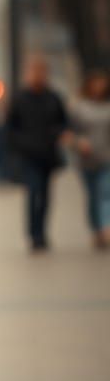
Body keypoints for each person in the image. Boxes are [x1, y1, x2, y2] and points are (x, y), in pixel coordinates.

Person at [6, 54, 68, 251]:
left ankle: (42, 231)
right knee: (34, 192)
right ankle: (34, 234)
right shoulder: (20, 98)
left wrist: (59, 134)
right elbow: (10, 127)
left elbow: (63, 122)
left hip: (48, 154)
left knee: (46, 195)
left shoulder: (54, 97)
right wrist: (18, 147)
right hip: (28, 155)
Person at [65, 68, 110, 250]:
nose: (99, 87)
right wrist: (78, 142)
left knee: (105, 194)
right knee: (92, 197)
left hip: (107, 157)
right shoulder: (79, 107)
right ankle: (96, 229)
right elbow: (68, 133)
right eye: (95, 83)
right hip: (86, 159)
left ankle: (105, 228)